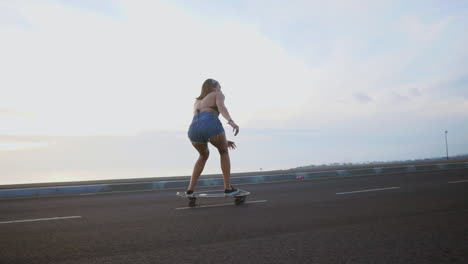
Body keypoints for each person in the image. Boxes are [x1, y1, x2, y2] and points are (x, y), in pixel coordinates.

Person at [186, 78, 240, 197]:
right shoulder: (217, 94)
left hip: (193, 129)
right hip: (210, 123)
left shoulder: (197, 101)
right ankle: (227, 188)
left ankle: (190, 189)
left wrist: (223, 140)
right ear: (213, 87)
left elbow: (201, 125)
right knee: (223, 152)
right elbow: (221, 107)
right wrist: (231, 121)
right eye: (219, 86)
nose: (221, 89)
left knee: (203, 155)